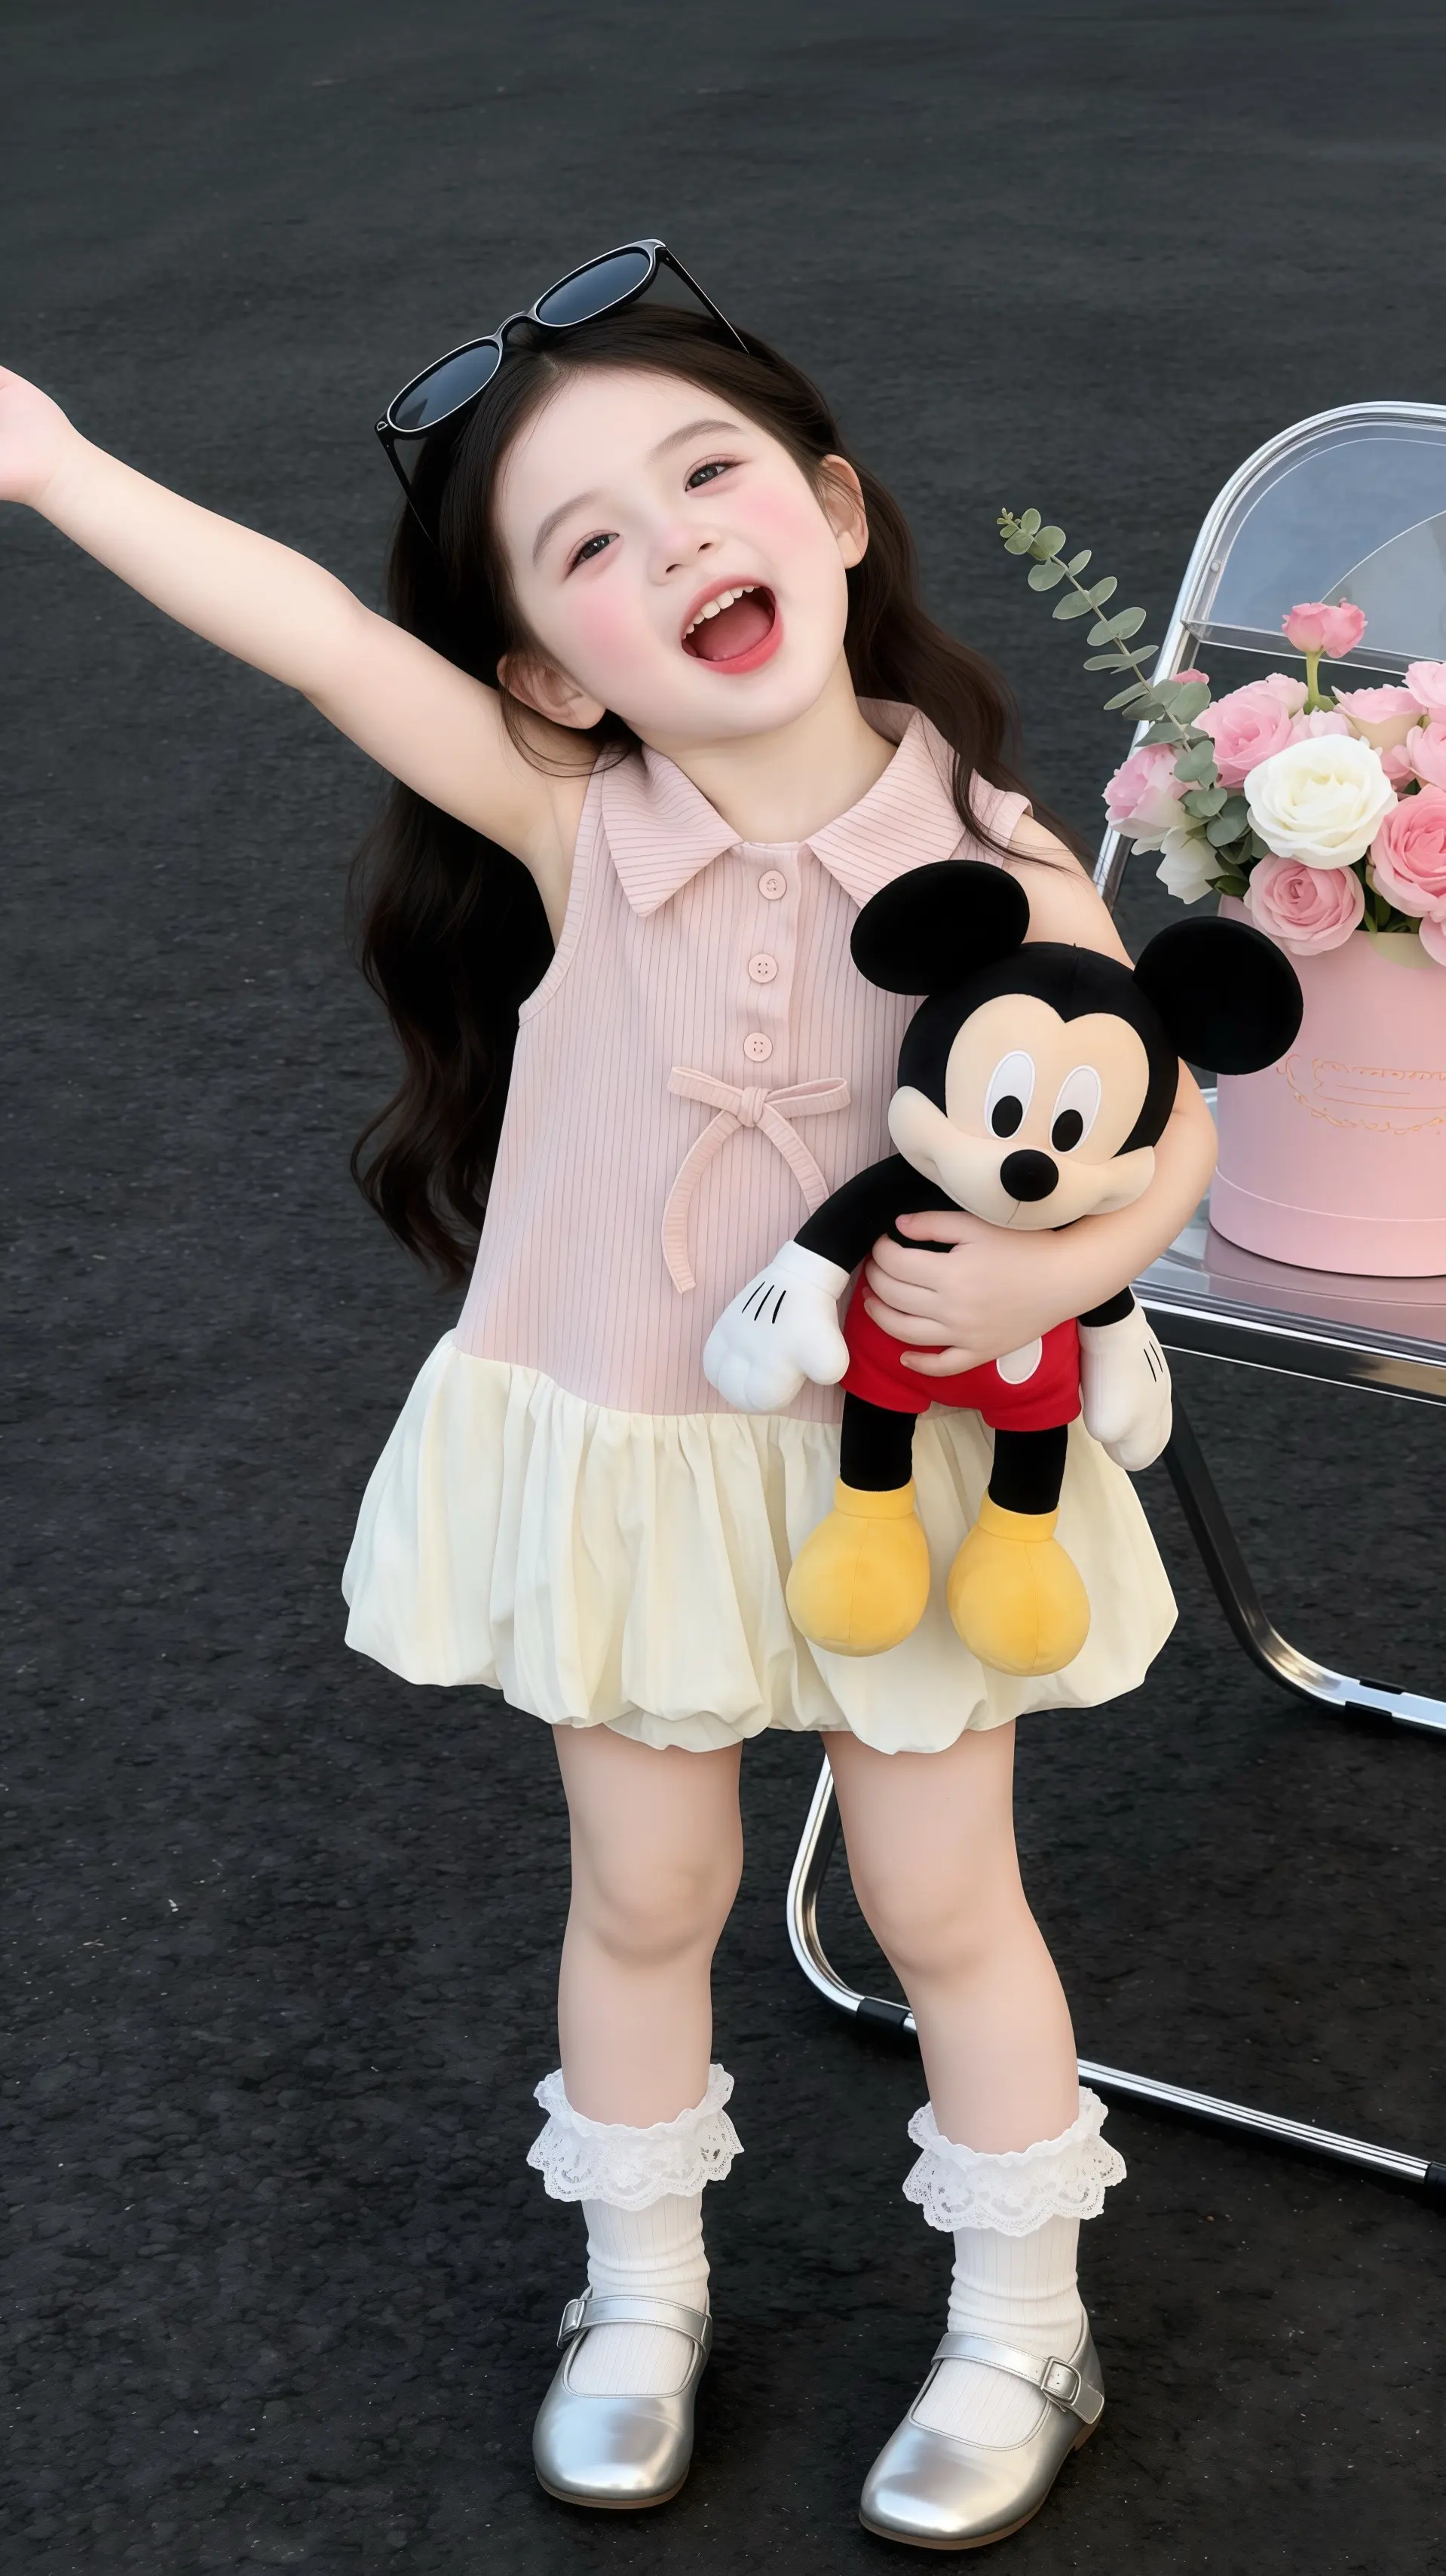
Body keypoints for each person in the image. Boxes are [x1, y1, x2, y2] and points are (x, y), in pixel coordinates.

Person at [0, 244, 1215, 2549]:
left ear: (831, 509)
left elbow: (1160, 1127)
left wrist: (1054, 1266)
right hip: (629, 1449)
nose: (671, 545)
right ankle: (637, 2294)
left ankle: (1018, 2320)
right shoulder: (580, 817)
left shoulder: (991, 856)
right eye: (588, 545)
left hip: (905, 1477)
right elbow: (319, 635)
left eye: (707, 478)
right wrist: (55, 468)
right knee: (645, 1891)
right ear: (553, 670)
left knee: (941, 1899)